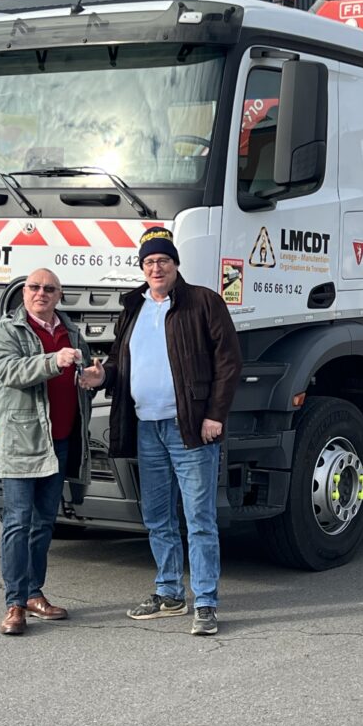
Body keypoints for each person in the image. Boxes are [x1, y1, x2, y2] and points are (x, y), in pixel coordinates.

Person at [79, 227, 240, 636]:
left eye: (163, 261)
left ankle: (205, 602)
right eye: (149, 262)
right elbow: (121, 361)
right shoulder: (133, 307)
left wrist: (214, 414)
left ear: (175, 265)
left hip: (189, 429)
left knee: (199, 518)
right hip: (146, 427)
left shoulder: (203, 302)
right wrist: (103, 376)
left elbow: (229, 362)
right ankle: (169, 593)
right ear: (143, 268)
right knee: (157, 516)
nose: (156, 268)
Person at [0, 268, 93, 636]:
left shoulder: (73, 332)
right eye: (34, 287)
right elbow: (10, 371)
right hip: (21, 441)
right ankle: (14, 604)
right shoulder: (7, 331)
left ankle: (34, 593)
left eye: (49, 289)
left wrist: (93, 380)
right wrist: (54, 360)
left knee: (45, 522)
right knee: (17, 521)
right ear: (23, 293)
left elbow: (84, 377)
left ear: (59, 295)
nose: (41, 293)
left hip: (60, 441)